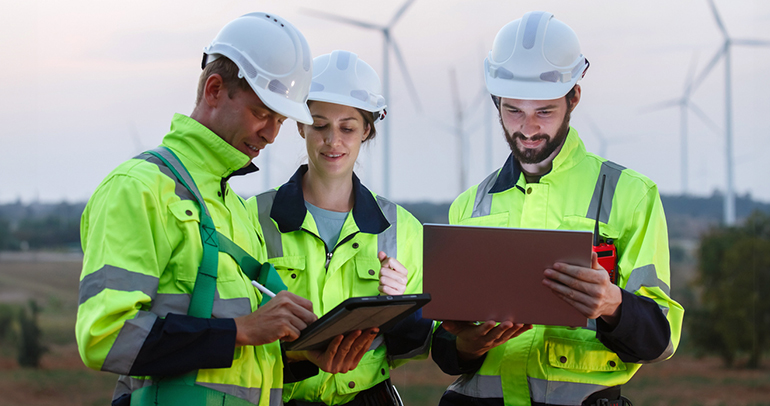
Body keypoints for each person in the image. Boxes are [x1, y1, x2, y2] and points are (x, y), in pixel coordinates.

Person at [76, 13, 377, 406]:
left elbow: (232, 367)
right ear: (215, 90)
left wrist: (302, 353)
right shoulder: (140, 189)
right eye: (262, 113)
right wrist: (241, 330)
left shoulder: (236, 209)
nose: (270, 134)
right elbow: (105, 337)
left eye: (281, 120)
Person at [430, 11, 685, 406]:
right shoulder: (469, 205)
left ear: (574, 98)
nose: (528, 128)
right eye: (513, 110)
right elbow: (445, 351)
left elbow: (660, 339)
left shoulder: (630, 195)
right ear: (496, 101)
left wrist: (613, 304)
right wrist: (464, 344)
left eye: (544, 111)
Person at [245, 50, 434, 406]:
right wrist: (298, 353)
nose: (333, 141)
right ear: (300, 124)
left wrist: (399, 308)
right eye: (319, 125)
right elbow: (237, 328)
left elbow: (417, 346)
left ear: (367, 130)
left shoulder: (402, 229)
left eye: (347, 127)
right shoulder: (253, 217)